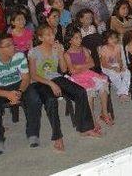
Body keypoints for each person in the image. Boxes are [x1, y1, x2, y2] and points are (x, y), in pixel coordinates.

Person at [28, 24, 101, 152]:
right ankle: (57, 136)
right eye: (48, 35)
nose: (52, 36)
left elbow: (63, 69)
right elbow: (33, 75)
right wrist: (51, 84)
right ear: (40, 38)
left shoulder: (58, 48)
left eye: (52, 34)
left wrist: (60, 53)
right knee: (51, 101)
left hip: (56, 78)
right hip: (40, 82)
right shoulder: (34, 52)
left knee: (80, 92)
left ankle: (85, 128)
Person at [0, 33, 41, 155]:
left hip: (18, 84)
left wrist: (18, 92)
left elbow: (26, 78)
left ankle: (33, 134)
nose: (13, 47)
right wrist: (8, 94)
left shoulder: (19, 56)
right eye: (8, 45)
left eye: (12, 44)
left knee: (34, 99)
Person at [64, 30, 113, 128]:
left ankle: (104, 113)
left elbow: (92, 64)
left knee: (104, 84)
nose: (80, 40)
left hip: (88, 73)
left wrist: (78, 66)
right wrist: (82, 66)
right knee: (89, 92)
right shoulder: (67, 54)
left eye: (80, 37)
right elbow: (72, 71)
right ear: (70, 40)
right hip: (76, 77)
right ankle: (92, 119)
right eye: (76, 38)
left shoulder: (84, 49)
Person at [99, 30, 131, 101]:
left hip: (116, 64)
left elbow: (119, 59)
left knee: (127, 72)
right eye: (111, 38)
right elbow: (104, 64)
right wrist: (113, 68)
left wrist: (121, 66)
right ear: (106, 40)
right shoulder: (103, 49)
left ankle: (122, 92)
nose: (114, 40)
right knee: (115, 75)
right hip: (107, 66)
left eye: (115, 38)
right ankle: (123, 93)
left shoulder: (118, 46)